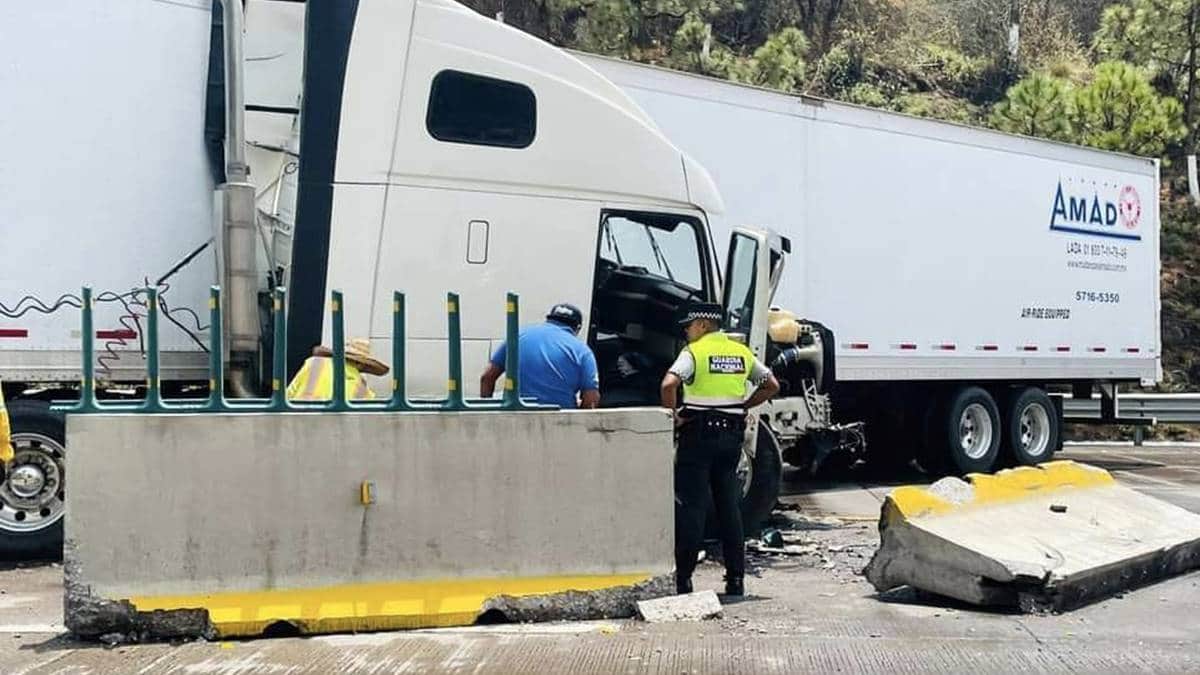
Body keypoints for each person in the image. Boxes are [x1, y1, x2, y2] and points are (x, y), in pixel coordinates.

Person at [660, 302, 780, 597]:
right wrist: (742, 405)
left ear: (702, 324)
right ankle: (736, 580)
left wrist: (672, 418)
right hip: (731, 439)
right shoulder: (740, 353)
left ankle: (684, 581)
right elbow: (771, 384)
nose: (686, 332)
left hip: (697, 438)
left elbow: (668, 384)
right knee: (729, 507)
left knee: (693, 506)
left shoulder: (694, 353)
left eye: (688, 326)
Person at [480, 303, 600, 409]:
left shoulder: (518, 336)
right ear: (578, 328)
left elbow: (487, 377)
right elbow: (591, 399)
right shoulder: (583, 351)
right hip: (558, 421)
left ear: (548, 319)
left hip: (516, 413)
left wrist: (487, 411)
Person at [287, 338, 389, 401]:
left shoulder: (313, 362)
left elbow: (288, 395)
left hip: (298, 421)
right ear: (361, 365)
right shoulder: (363, 389)